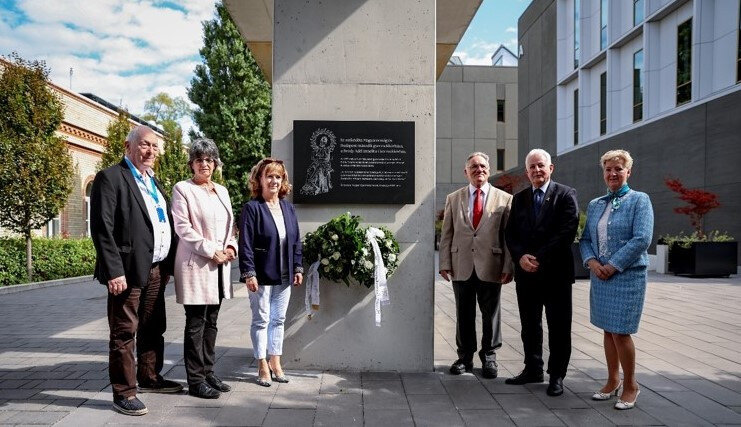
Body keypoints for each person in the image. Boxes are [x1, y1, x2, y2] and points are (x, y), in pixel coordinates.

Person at [90, 125, 182, 416]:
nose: (150, 151)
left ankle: (150, 377)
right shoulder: (111, 177)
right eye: (144, 144)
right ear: (128, 146)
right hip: (127, 271)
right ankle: (124, 392)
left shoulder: (152, 180)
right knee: (124, 332)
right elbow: (102, 228)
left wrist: (167, 265)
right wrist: (114, 271)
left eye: (155, 146)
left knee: (153, 326)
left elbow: (161, 223)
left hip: (155, 269)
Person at [579, 149, 653, 410]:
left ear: (628, 172)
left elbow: (642, 238)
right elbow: (585, 239)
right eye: (608, 169)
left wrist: (612, 265)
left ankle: (631, 385)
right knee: (608, 330)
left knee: (621, 332)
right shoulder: (595, 204)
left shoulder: (640, 200)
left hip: (627, 275)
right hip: (600, 275)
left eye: (618, 169)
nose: (613, 173)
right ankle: (612, 380)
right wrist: (592, 263)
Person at [504, 148, 578, 397]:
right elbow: (511, 234)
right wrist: (520, 257)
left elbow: (567, 232)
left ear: (550, 168)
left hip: (556, 274)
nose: (537, 170)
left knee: (559, 327)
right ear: (527, 172)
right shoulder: (519, 198)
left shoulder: (566, 194)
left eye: (541, 165)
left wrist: (538, 257)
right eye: (532, 167)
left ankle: (557, 375)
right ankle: (532, 369)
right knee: (529, 326)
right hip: (527, 275)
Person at [171, 139, 237, 399]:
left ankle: (208, 371)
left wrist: (231, 247)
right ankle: (196, 380)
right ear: (192, 164)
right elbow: (183, 228)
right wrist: (212, 250)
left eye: (209, 160)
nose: (204, 164)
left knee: (212, 322)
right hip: (197, 265)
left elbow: (230, 226)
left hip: (220, 267)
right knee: (196, 323)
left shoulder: (222, 190)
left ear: (215, 164)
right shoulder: (183, 189)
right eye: (199, 160)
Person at [439, 152, 513, 379]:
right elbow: (447, 233)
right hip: (461, 264)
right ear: (466, 172)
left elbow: (508, 237)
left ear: (489, 170)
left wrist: (508, 266)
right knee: (463, 313)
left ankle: (489, 356)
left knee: (491, 314)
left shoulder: (504, 199)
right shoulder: (454, 198)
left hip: (491, 264)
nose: (478, 170)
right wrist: (444, 262)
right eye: (474, 167)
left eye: (482, 166)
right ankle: (465, 357)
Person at [239, 158, 303, 387]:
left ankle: (275, 362)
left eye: (278, 176)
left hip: (285, 274)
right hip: (261, 274)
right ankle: (261, 364)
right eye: (269, 176)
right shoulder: (252, 208)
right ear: (260, 179)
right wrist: (249, 273)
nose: (274, 180)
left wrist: (298, 267)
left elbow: (296, 240)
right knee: (261, 320)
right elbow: (245, 243)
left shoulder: (288, 207)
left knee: (279, 319)